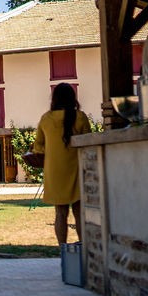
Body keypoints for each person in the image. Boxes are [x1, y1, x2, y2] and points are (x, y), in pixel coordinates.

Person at [33, 83, 92, 244]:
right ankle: (84, 250)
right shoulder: (80, 117)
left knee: (60, 214)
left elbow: (38, 147)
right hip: (78, 171)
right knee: (80, 213)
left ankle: (63, 252)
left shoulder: (46, 119)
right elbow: (89, 143)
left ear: (54, 99)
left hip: (55, 173)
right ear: (73, 98)